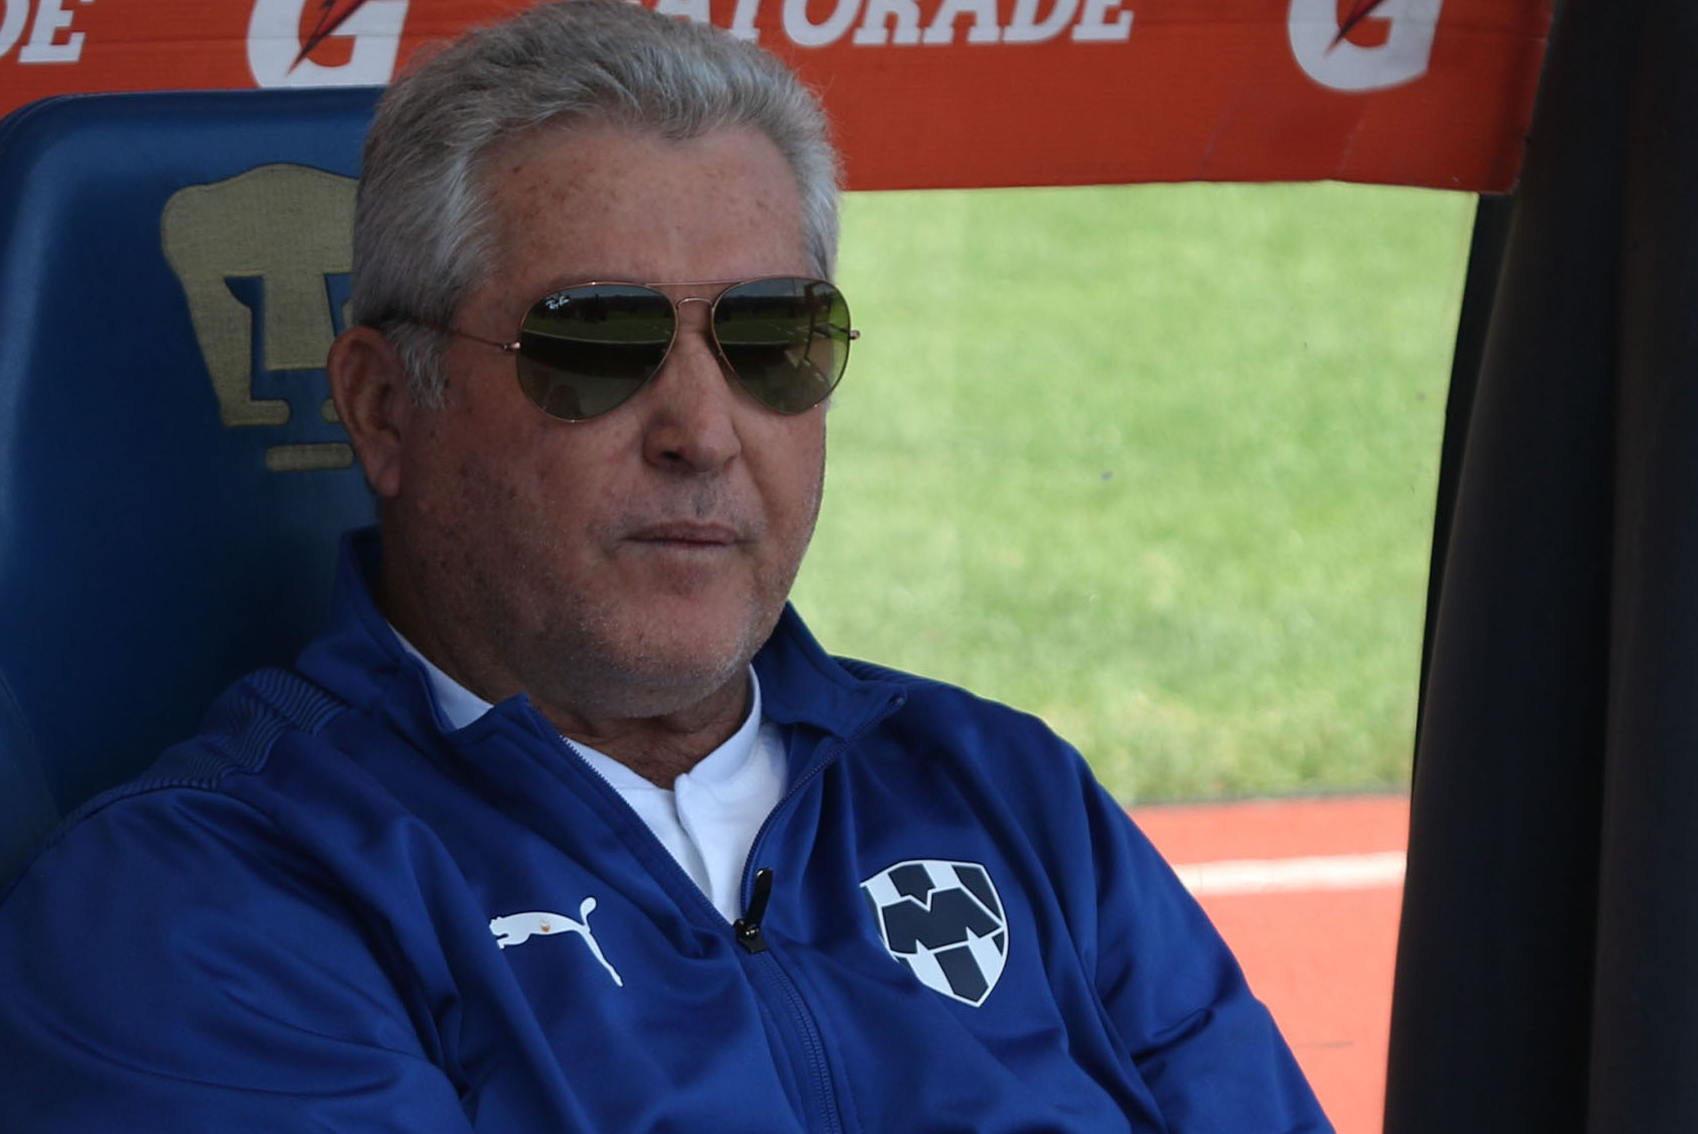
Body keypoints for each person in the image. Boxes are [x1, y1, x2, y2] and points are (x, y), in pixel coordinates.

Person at [0, 3, 1331, 1130]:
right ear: (385, 407)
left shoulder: (1009, 795)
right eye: (596, 343)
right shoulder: (197, 910)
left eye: (773, 339)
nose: (704, 430)